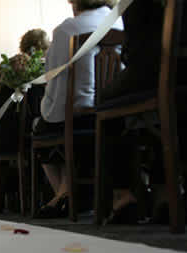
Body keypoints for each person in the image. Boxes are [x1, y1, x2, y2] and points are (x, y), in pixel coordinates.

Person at [33, 0, 122, 217]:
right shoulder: (119, 22)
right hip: (114, 109)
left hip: (79, 114)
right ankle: (66, 194)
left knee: (41, 126)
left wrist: (47, 108)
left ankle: (64, 193)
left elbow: (55, 83)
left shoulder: (66, 29)